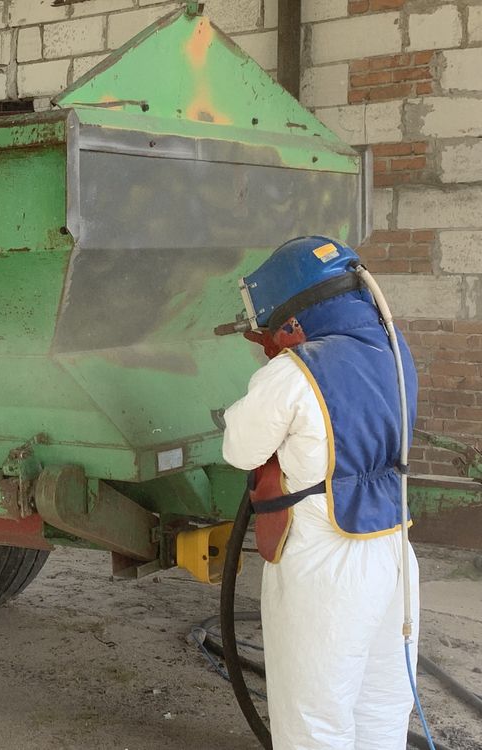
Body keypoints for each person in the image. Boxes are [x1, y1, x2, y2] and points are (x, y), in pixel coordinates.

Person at [221, 236, 419, 750]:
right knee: (381, 704)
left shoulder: (294, 371)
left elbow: (240, 449)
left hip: (326, 564)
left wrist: (274, 368)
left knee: (314, 721)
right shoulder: (396, 351)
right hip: (395, 551)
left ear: (291, 319)